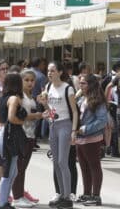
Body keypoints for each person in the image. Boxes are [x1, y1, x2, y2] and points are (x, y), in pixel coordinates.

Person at [41, 61, 78, 209]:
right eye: (48, 71)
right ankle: (61, 194)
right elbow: (51, 111)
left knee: (63, 161)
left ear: (60, 72)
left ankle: (67, 197)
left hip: (65, 125)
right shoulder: (48, 87)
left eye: (53, 70)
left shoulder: (67, 89)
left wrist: (74, 131)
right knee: (56, 162)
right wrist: (45, 107)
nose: (49, 73)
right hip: (53, 125)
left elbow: (75, 111)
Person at [74, 74, 108, 207]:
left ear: (91, 85)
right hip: (80, 138)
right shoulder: (82, 97)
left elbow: (102, 121)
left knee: (94, 166)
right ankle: (87, 193)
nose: (80, 86)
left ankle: (96, 195)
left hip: (91, 138)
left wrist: (85, 129)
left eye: (83, 83)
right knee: (84, 167)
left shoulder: (98, 100)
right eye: (80, 83)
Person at [12, 69, 44, 208]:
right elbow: (19, 116)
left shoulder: (30, 96)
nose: (30, 83)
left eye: (32, 80)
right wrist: (37, 115)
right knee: (19, 168)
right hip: (21, 135)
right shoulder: (19, 96)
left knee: (23, 168)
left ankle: (20, 195)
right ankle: (17, 197)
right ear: (21, 81)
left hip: (30, 135)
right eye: (27, 80)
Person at [0, 73, 27, 209]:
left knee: (11, 171)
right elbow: (11, 117)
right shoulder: (14, 98)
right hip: (10, 137)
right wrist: (21, 121)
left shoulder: (2, 98)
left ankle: (4, 201)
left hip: (2, 134)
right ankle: (2, 203)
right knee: (9, 171)